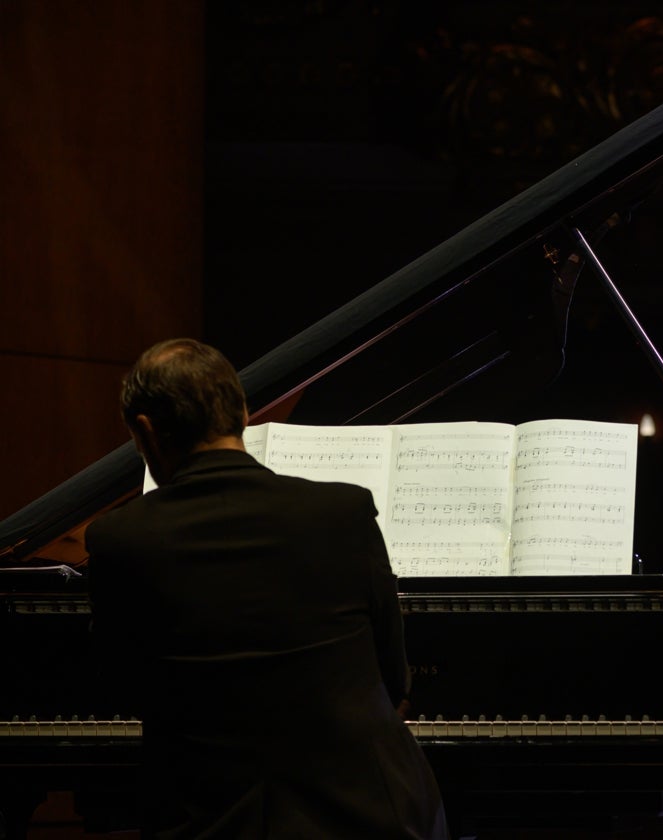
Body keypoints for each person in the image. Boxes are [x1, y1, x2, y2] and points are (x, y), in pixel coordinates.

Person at [85, 337, 449, 840]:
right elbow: (393, 682)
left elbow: (123, 688)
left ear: (144, 432)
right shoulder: (344, 513)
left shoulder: (120, 541)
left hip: (212, 820)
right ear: (244, 413)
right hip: (371, 814)